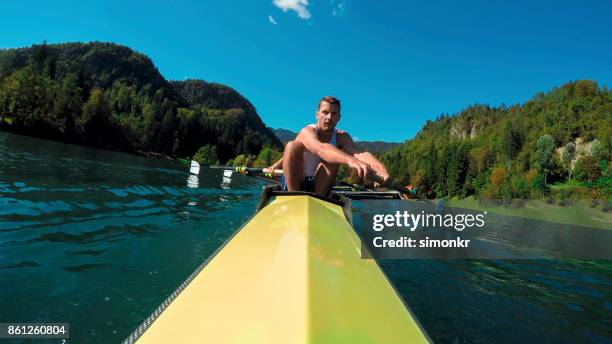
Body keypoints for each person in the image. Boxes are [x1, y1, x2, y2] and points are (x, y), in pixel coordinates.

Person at [267, 96, 390, 197]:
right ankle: (292, 197)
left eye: (334, 113)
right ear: (317, 115)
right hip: (294, 182)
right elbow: (321, 149)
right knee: (292, 145)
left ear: (339, 118)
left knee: (333, 158)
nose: (329, 117)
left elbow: (359, 154)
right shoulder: (307, 132)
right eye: (325, 112)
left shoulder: (341, 136)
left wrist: (381, 169)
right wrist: (350, 161)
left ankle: (318, 200)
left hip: (318, 184)